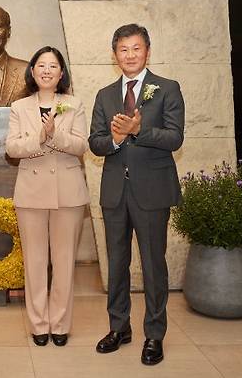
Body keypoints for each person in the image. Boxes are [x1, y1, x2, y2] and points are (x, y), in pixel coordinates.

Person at [89, 24, 185, 365]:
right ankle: (119, 328)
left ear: (147, 51)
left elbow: (175, 138)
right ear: (115, 55)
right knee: (117, 265)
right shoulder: (105, 94)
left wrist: (139, 129)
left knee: (153, 266)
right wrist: (116, 139)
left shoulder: (167, 89)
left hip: (152, 191)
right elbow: (95, 142)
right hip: (115, 192)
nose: (130, 55)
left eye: (136, 48)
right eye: (123, 50)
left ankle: (154, 335)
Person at [5, 46, 90, 347]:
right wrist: (39, 137)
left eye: (53, 66)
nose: (46, 70)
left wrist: (55, 134)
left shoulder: (74, 103)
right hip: (31, 193)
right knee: (35, 263)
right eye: (41, 65)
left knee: (65, 262)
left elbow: (82, 146)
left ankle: (61, 324)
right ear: (32, 71)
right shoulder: (19, 107)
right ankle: (39, 324)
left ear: (61, 73)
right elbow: (12, 149)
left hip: (68, 193)